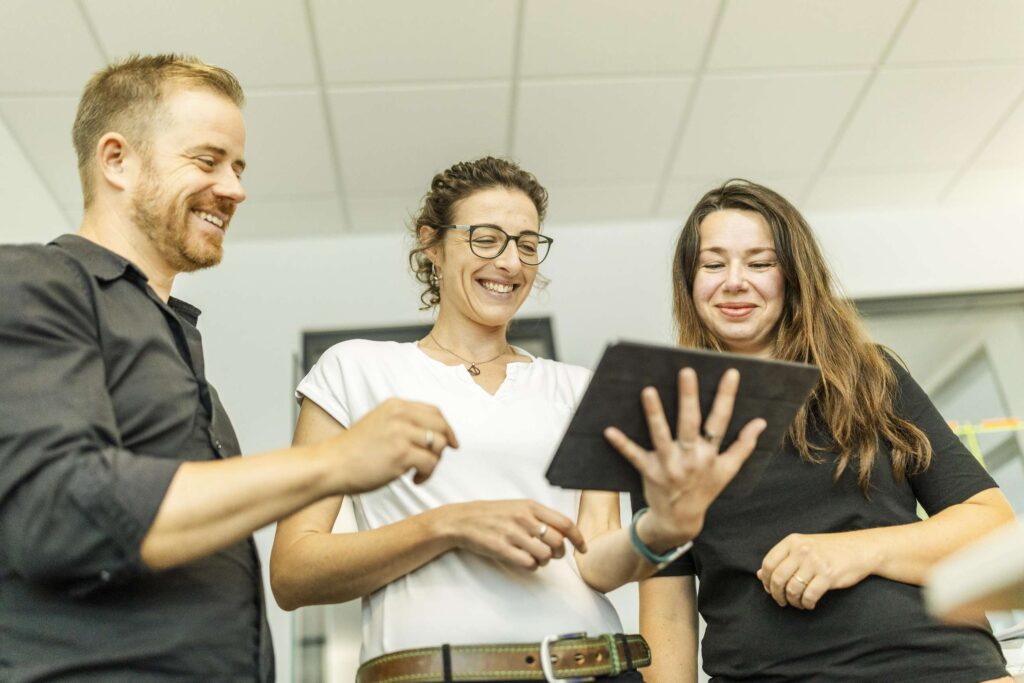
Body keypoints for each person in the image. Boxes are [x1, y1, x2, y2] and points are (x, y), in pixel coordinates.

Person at [0, 54, 454, 682]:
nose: (236, 188)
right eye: (207, 160)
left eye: (238, 167)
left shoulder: (185, 358)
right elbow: (61, 514)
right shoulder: (34, 282)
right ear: (116, 160)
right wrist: (335, 462)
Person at [270, 157, 767, 682]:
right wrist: (447, 526)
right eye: (486, 239)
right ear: (431, 245)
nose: (510, 262)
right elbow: (293, 572)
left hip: (591, 670)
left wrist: (660, 529)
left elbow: (595, 560)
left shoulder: (578, 387)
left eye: (527, 244)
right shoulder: (354, 370)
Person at [619, 179, 1016, 683]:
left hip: (938, 665)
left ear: (792, 275)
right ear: (690, 283)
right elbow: (668, 604)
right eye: (713, 264)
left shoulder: (870, 375)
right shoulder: (661, 419)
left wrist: (857, 549)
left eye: (760, 263)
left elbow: (991, 524)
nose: (734, 281)